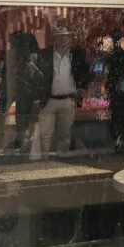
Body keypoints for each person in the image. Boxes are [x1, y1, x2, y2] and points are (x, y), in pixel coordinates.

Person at [36, 27, 90, 157]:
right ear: (55, 38)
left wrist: (82, 87)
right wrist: (37, 97)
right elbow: (37, 76)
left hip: (68, 99)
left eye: (66, 35)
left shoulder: (76, 55)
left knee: (65, 134)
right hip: (48, 100)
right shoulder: (45, 54)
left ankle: (61, 159)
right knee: (45, 134)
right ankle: (45, 160)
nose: (63, 38)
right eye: (60, 35)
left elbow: (85, 72)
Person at [104, 32, 124, 153]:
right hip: (122, 92)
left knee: (117, 116)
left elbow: (109, 73)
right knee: (123, 116)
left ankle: (118, 139)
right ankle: (121, 139)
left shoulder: (112, 56)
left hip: (117, 92)